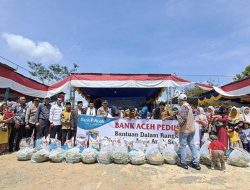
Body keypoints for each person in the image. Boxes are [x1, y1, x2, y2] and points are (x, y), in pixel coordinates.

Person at [176, 94, 201, 170]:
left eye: (178, 101)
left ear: (180, 100)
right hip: (192, 129)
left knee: (183, 146)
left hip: (185, 129)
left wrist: (177, 127)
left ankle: (183, 162)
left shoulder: (184, 106)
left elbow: (183, 119)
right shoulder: (189, 106)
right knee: (192, 145)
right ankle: (196, 163)